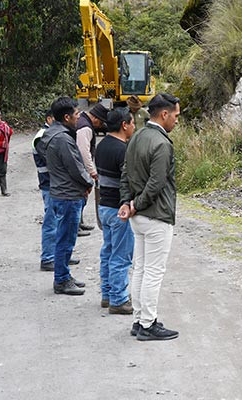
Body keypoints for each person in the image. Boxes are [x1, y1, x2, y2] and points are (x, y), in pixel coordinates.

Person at [119, 93, 181, 341]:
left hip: (139, 217)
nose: (177, 120)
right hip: (156, 216)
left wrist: (128, 202)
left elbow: (125, 173)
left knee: (141, 268)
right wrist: (135, 204)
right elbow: (156, 184)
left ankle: (138, 319)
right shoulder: (162, 144)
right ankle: (148, 324)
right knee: (153, 271)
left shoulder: (137, 137)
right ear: (164, 114)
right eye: (175, 115)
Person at [36, 97, 94, 296]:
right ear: (67, 117)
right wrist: (89, 182)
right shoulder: (62, 139)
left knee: (64, 237)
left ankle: (64, 275)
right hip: (68, 195)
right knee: (65, 239)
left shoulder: (53, 134)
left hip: (61, 192)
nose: (79, 117)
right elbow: (75, 168)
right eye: (77, 114)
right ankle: (61, 279)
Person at [96, 107, 136, 315]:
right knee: (121, 256)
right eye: (132, 123)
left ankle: (107, 294)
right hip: (118, 209)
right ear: (124, 125)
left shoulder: (101, 146)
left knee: (108, 251)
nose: (134, 127)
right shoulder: (123, 150)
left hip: (104, 206)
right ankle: (119, 299)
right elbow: (127, 181)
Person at [33, 110, 81, 271]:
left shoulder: (51, 135)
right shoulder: (43, 136)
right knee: (51, 223)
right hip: (49, 184)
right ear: (49, 119)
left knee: (60, 223)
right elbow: (54, 160)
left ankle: (60, 256)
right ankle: (48, 258)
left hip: (54, 184)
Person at [76, 103, 109, 235]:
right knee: (80, 195)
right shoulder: (85, 128)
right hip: (80, 168)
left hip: (80, 167)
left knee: (81, 195)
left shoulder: (83, 121)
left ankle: (79, 222)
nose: (100, 126)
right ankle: (76, 225)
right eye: (100, 123)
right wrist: (92, 171)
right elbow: (84, 152)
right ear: (95, 118)